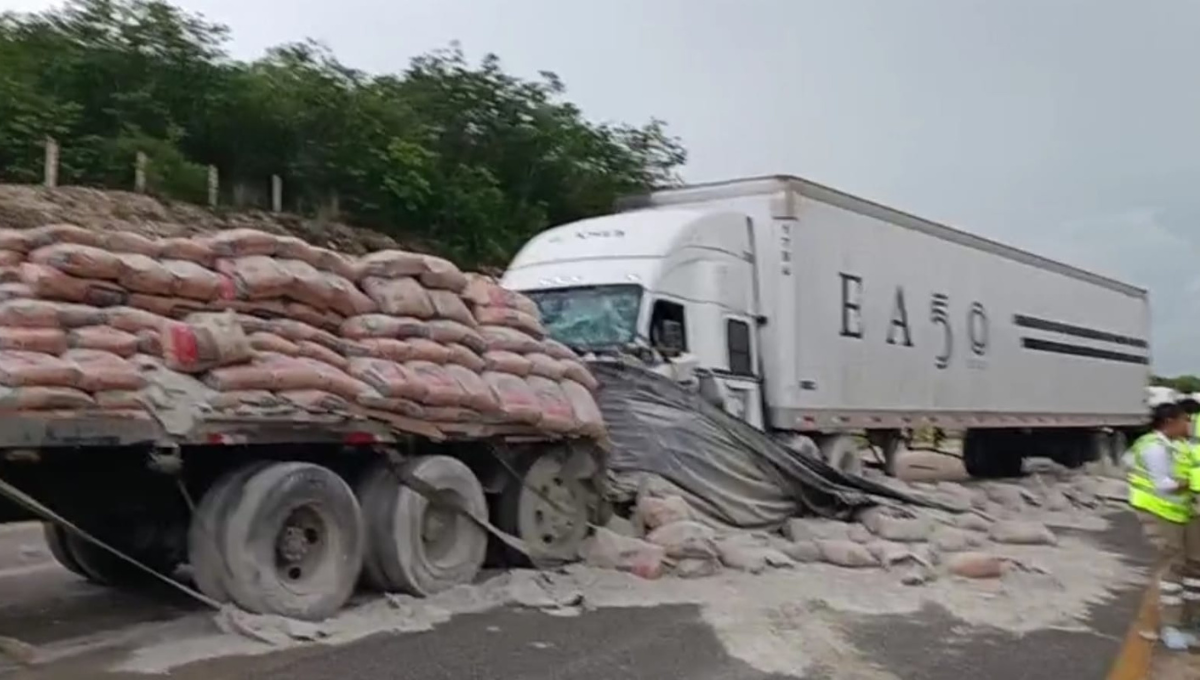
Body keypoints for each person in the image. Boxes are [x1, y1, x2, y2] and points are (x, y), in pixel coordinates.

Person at [1128, 401, 1195, 650]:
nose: (1187, 424)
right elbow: (1162, 484)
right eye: (1183, 420)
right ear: (1169, 422)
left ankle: (1185, 621)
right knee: (1173, 566)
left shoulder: (1177, 446)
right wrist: (1190, 484)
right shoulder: (1154, 448)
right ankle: (1169, 625)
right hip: (1160, 512)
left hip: (1179, 512)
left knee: (1189, 566)